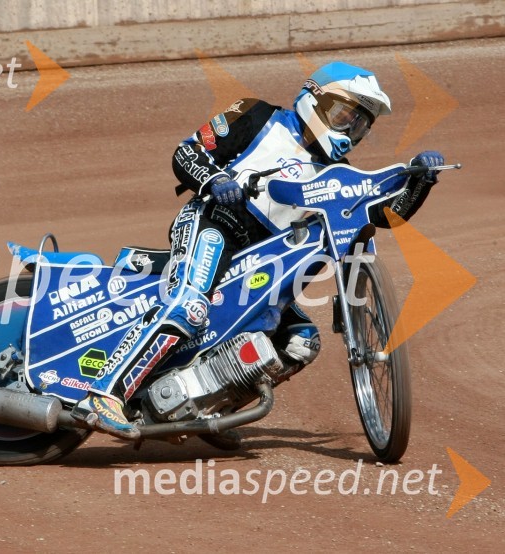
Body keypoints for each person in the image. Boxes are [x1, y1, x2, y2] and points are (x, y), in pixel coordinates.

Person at [72, 61, 444, 440]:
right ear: (315, 99)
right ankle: (104, 394)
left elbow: (383, 216)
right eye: (344, 114)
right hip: (215, 222)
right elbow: (187, 153)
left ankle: (210, 408)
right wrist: (215, 179)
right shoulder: (258, 115)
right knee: (189, 303)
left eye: (361, 123)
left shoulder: (338, 173)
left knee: (301, 342)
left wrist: (421, 182)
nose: (351, 129)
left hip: (261, 261)